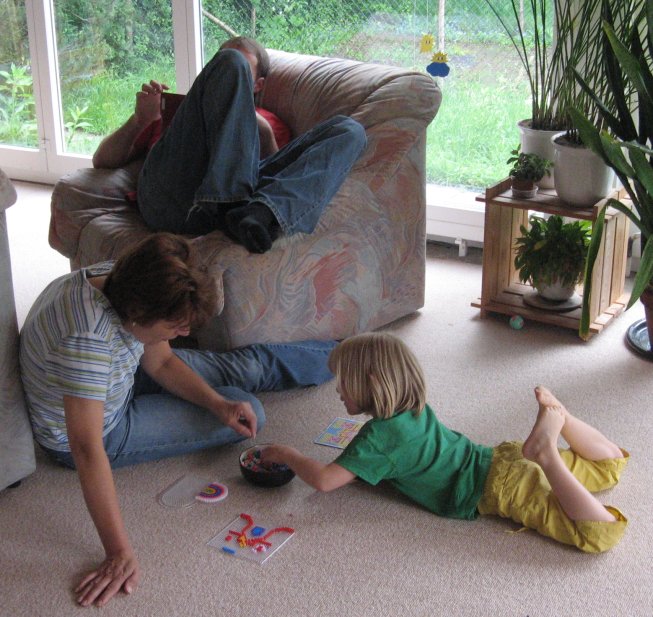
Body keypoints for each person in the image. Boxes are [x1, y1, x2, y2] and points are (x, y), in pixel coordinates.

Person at [19, 233, 336, 607]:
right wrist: (118, 551)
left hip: (117, 373)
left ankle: (344, 354)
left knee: (244, 373)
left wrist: (217, 404)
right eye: (175, 327)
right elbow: (86, 448)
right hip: (101, 425)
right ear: (140, 315)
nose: (184, 334)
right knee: (251, 407)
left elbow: (162, 361)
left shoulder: (118, 280)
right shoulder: (87, 341)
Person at [261, 332, 629, 553]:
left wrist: (286, 453)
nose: (338, 389)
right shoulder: (412, 406)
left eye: (343, 381)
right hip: (502, 458)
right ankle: (560, 419)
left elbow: (326, 481)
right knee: (608, 463)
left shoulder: (377, 439)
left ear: (371, 382)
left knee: (597, 535)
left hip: (499, 488)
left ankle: (546, 454)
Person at [92, 37, 367, 254]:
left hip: (235, 216)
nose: (229, 77)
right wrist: (140, 120)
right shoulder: (180, 114)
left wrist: (263, 133)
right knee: (231, 61)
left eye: (241, 73)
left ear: (258, 85)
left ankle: (260, 214)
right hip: (171, 196)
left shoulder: (268, 124)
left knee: (350, 130)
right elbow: (102, 159)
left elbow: (279, 177)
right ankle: (231, 203)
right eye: (222, 69)